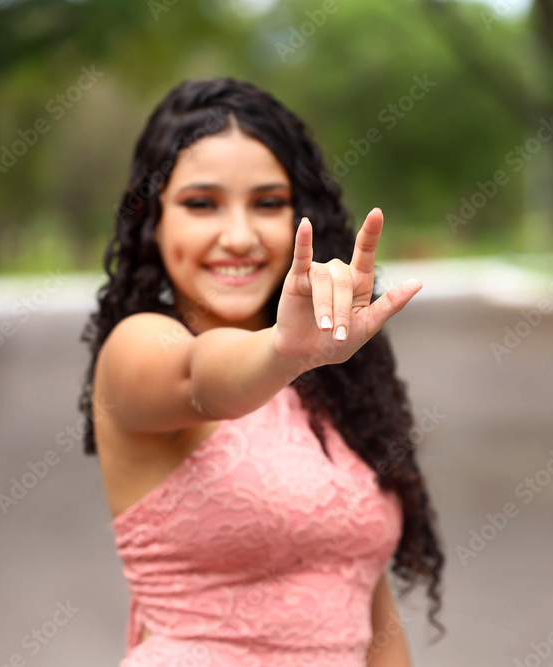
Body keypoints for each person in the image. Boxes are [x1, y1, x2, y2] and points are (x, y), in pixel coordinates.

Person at [77, 77, 445, 666]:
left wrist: (297, 353)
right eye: (202, 204)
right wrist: (281, 351)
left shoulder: (335, 386)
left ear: (301, 217)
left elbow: (368, 610)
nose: (240, 237)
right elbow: (204, 378)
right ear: (155, 218)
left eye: (269, 203)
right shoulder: (140, 349)